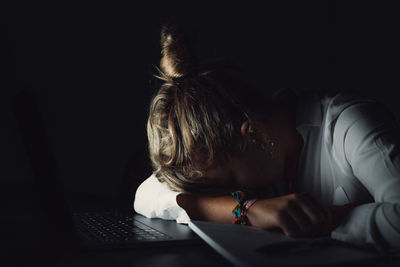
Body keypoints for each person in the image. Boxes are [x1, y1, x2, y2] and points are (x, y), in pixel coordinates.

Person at [134, 22, 400, 252]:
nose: (231, 193)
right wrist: (248, 210)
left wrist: (322, 217)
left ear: (254, 134)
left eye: (231, 180)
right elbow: (146, 194)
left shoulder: (351, 124)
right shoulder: (256, 156)